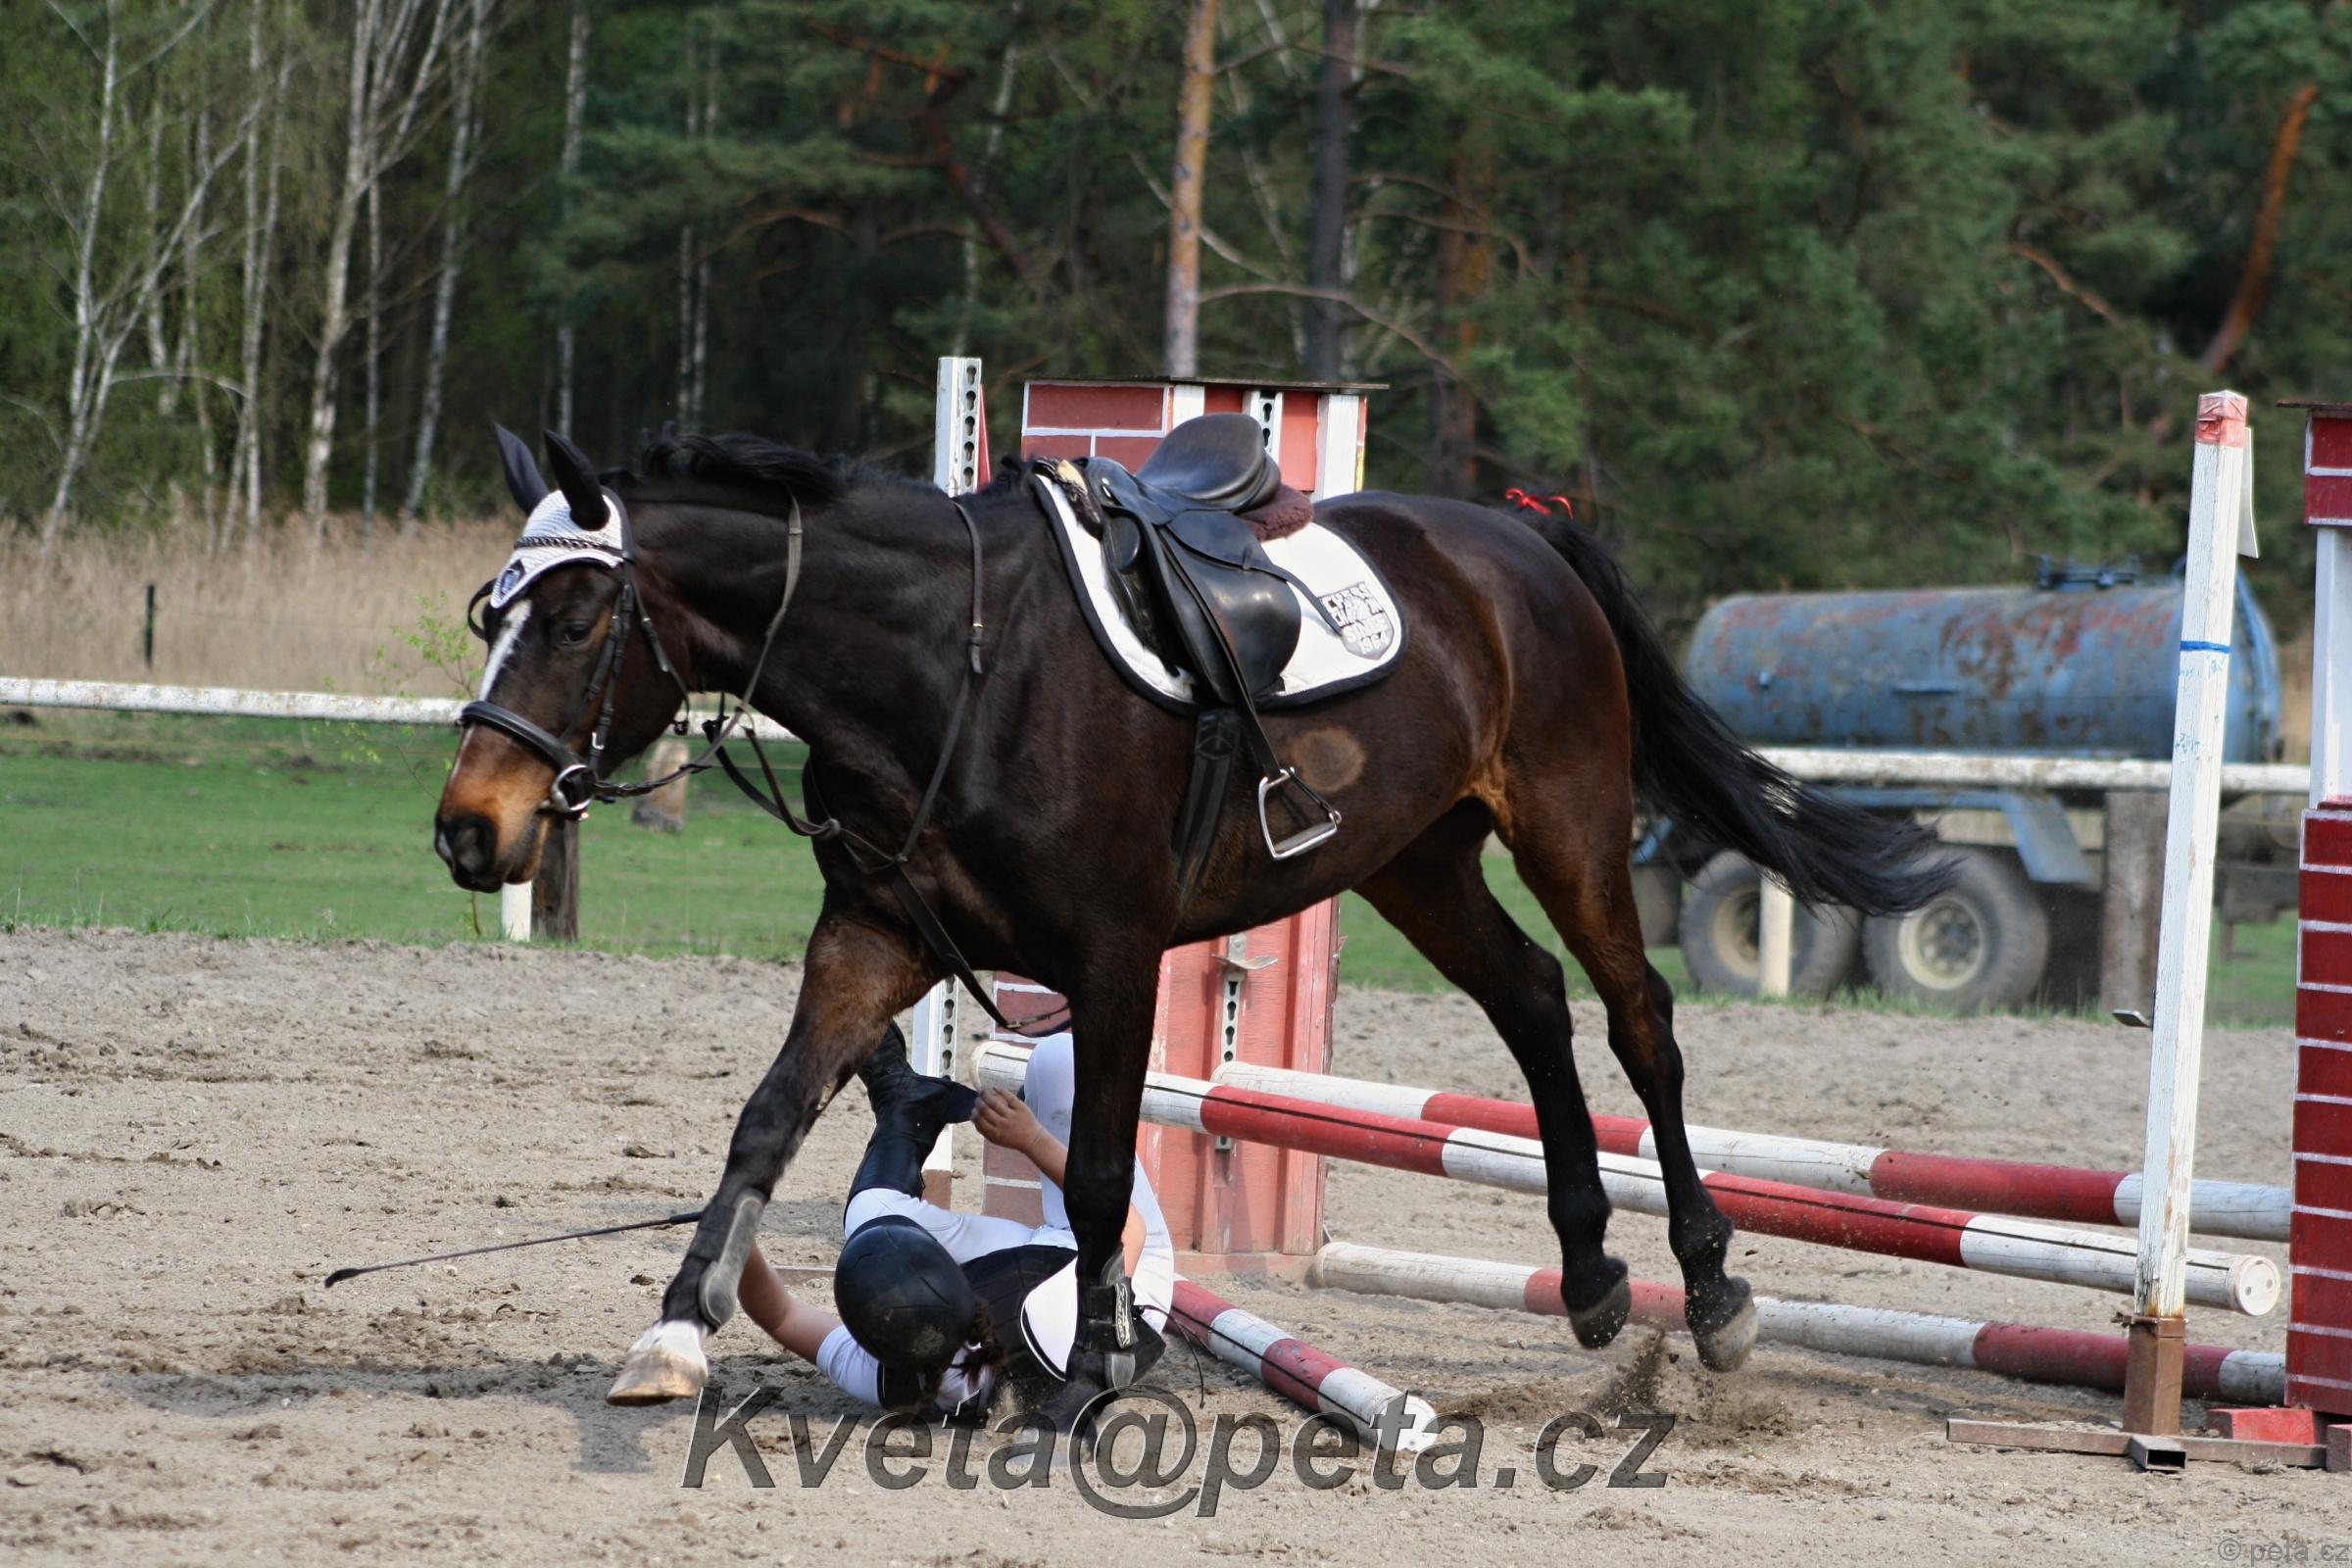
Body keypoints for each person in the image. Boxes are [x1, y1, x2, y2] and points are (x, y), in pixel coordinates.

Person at [737, 1027, 1174, 1421]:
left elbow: (780, 1314)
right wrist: (1032, 1139)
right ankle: (1037, 1104)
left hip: (1045, 1267)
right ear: (960, 1282)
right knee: (1058, 1059)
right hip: (1122, 1279)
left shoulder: (888, 1374)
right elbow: (1124, 1228)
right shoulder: (1044, 1317)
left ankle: (903, 1101)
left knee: (870, 1212)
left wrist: (731, 1240)